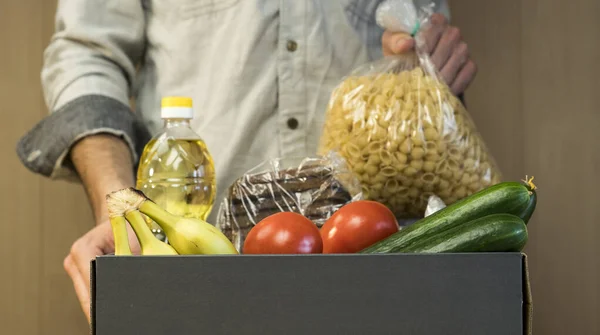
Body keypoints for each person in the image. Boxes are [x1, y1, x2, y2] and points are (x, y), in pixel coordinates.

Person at [16, 0, 476, 322]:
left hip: (375, 261)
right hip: (196, 272)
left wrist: (431, 66)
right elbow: (88, 54)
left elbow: (421, 38)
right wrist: (117, 204)